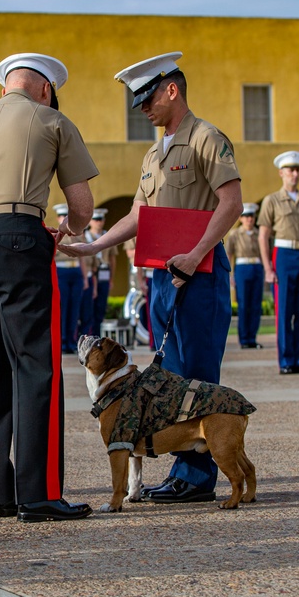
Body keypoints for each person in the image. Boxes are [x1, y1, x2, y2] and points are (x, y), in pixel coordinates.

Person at [61, 51, 243, 504]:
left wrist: (197, 251)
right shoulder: (153, 153)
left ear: (172, 89)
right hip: (164, 275)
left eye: (146, 98)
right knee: (172, 377)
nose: (141, 108)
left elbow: (231, 203)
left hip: (198, 272)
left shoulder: (206, 138)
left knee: (198, 376)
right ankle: (184, 468)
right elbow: (139, 215)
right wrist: (92, 246)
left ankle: (197, 477)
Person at [0, 51, 97, 522]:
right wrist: (68, 230)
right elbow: (82, 204)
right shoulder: (52, 120)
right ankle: (39, 492)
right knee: (35, 364)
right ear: (46, 88)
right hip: (18, 234)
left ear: (5, 85)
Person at [258, 151, 299, 375]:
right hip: (284, 255)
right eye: (290, 170)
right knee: (285, 310)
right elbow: (263, 235)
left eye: (297, 170)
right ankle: (286, 360)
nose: (294, 174)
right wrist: (268, 267)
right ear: (281, 173)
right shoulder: (272, 200)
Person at [225, 202, 264, 349]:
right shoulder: (235, 234)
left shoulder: (259, 233)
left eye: (251, 216)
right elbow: (229, 254)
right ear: (241, 218)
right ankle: (244, 338)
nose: (249, 219)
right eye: (246, 216)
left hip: (257, 267)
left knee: (255, 304)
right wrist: (230, 275)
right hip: (242, 268)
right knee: (244, 305)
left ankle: (252, 337)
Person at [53, 203, 88, 354]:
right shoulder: (54, 234)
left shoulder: (78, 235)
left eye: (65, 216)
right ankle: (62, 341)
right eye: (60, 216)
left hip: (76, 271)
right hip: (61, 271)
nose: (63, 219)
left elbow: (83, 259)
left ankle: (71, 341)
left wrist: (85, 278)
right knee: (63, 308)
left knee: (74, 309)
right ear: (57, 218)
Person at [85, 208, 118, 336]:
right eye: (96, 219)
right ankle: (87, 334)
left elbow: (112, 259)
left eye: (101, 219)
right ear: (90, 221)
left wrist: (111, 279)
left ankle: (96, 335)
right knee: (88, 306)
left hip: (104, 272)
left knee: (101, 306)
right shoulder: (85, 236)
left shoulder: (107, 235)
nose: (99, 222)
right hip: (90, 273)